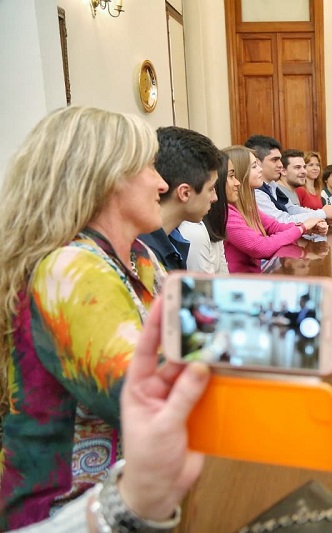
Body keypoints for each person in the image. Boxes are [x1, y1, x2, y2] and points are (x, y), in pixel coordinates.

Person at [0, 107, 167, 528]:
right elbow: (148, 400)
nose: (162, 183)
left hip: (134, 493)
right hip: (71, 511)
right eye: (150, 166)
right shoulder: (72, 271)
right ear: (111, 175)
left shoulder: (140, 257)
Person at [10, 300, 212, 532]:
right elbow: (124, 389)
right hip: (73, 496)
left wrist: (139, 499)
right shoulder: (76, 271)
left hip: (131, 494)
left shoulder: (141, 267)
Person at [222, 146, 322, 273]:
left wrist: (307, 228)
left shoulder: (248, 206)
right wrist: (302, 228)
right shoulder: (228, 213)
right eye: (254, 166)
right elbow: (260, 247)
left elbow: (274, 226)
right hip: (240, 286)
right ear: (240, 173)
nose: (260, 169)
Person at [138, 126, 221, 271]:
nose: (215, 198)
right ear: (185, 193)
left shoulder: (171, 239)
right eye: (211, 189)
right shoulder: (146, 254)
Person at [245, 135, 332, 223]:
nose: (280, 165)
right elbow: (282, 221)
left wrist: (319, 215)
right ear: (257, 162)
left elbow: (291, 209)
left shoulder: (271, 186)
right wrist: (322, 214)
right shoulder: (255, 192)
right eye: (274, 160)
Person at [180, 152, 239, 274]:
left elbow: (223, 274)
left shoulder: (215, 220)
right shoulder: (194, 229)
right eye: (231, 176)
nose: (237, 182)